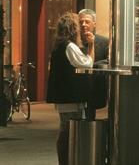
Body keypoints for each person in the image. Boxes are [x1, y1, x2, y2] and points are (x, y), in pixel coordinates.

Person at [47, 12, 94, 165]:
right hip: (69, 96)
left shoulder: (59, 45)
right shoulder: (69, 46)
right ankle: (67, 160)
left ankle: (65, 160)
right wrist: (91, 46)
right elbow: (87, 64)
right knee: (68, 130)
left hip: (62, 95)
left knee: (65, 128)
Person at [78, 8, 109, 121]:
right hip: (77, 85)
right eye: (81, 22)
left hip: (95, 85)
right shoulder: (73, 42)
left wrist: (94, 65)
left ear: (94, 24)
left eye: (87, 21)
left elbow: (109, 60)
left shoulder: (104, 41)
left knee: (90, 116)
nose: (83, 25)